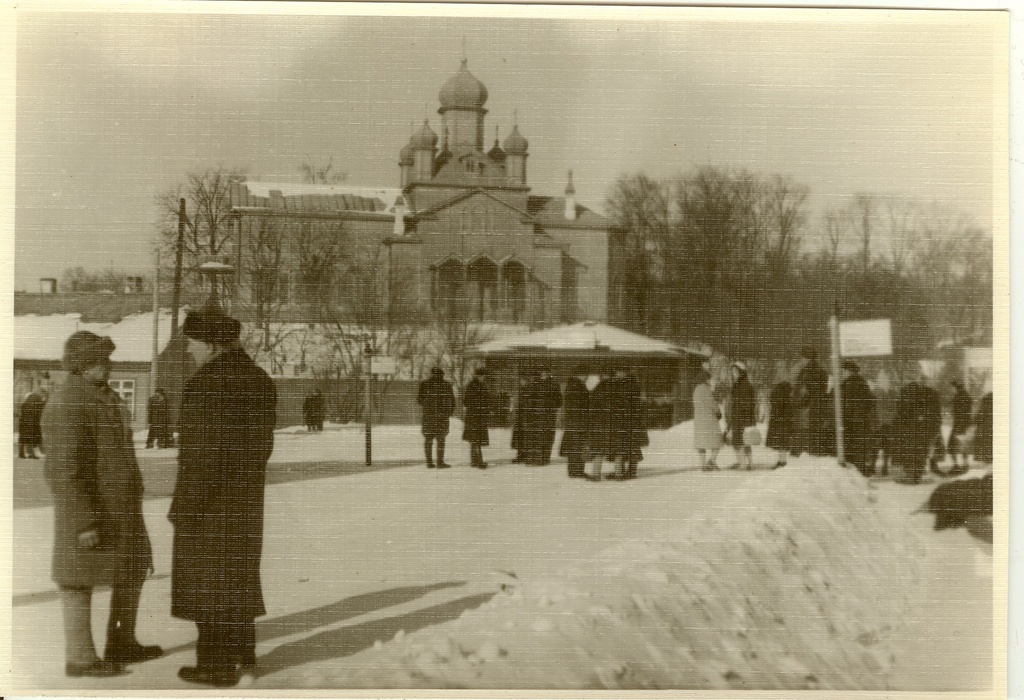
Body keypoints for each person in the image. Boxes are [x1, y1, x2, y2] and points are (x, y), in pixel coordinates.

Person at [42, 331, 162, 678]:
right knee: (78, 580)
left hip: (120, 507)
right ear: (79, 365)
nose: (107, 366)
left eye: (107, 360)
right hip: (90, 511)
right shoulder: (69, 402)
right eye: (98, 361)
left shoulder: (101, 397)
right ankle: (80, 657)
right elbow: (63, 470)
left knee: (132, 569)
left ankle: (122, 642)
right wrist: (83, 522)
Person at [170, 309, 277, 687]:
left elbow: (202, 455)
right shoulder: (258, 379)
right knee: (238, 576)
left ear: (213, 344)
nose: (187, 349)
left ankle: (214, 665)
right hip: (245, 500)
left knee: (208, 581)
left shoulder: (210, 383)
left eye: (192, 341)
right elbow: (261, 448)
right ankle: (242, 654)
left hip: (209, 503)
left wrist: (184, 507)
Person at [840, 360, 876, 475]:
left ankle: (856, 473)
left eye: (843, 371)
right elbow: (871, 401)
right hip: (862, 421)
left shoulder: (848, 384)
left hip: (851, 422)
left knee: (852, 447)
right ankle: (862, 470)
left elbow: (844, 404)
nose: (842, 373)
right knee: (860, 447)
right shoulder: (862, 382)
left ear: (848, 371)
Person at [610, 368, 647, 479]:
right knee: (628, 446)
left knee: (629, 447)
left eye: (618, 372)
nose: (617, 374)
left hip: (629, 420)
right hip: (631, 420)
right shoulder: (629, 384)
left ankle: (628, 472)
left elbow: (626, 403)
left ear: (623, 373)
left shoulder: (627, 385)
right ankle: (624, 471)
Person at [893, 374, 930, 484]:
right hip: (918, 427)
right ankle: (916, 475)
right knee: (918, 451)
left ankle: (910, 475)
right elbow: (924, 409)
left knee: (909, 451)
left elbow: (900, 409)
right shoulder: (922, 391)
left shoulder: (905, 391)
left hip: (908, 427)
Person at [417, 367, 455, 469]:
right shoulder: (446, 385)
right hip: (440, 416)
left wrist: (428, 405)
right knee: (440, 439)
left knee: (430, 439)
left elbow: (419, 400)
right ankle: (439, 462)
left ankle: (430, 462)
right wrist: (448, 412)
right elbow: (452, 401)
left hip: (430, 416)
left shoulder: (425, 384)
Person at [795, 347, 829, 456]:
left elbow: (808, 390)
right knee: (814, 429)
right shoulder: (817, 370)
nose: (801, 360)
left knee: (811, 429)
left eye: (803, 357)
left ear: (808, 358)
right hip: (815, 405)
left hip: (811, 405)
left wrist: (800, 402)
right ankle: (813, 451)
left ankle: (812, 452)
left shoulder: (810, 371)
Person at [559, 365, 590, 478]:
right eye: (584, 374)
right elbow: (577, 407)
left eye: (587, 375)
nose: (586, 377)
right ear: (578, 375)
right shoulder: (576, 386)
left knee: (576, 448)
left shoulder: (576, 385)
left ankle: (576, 471)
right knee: (576, 448)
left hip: (575, 422)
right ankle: (575, 472)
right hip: (577, 422)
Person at [587, 368, 614, 481]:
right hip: (611, 423)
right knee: (615, 450)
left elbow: (591, 406)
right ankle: (618, 473)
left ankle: (596, 474)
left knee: (598, 449)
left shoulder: (599, 388)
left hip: (599, 423)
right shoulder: (616, 388)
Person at [728, 361, 756, 470]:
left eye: (735, 371)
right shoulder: (739, 384)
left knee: (742, 440)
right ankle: (748, 463)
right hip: (740, 416)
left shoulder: (744, 385)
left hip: (743, 417)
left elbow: (749, 403)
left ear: (741, 372)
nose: (733, 374)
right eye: (732, 372)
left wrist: (742, 411)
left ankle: (745, 463)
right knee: (743, 440)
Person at [693, 370, 723, 471]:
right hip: (709, 419)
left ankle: (703, 465)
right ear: (705, 379)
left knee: (701, 443)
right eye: (709, 378)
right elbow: (711, 403)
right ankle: (712, 461)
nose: (710, 380)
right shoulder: (706, 389)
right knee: (717, 441)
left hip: (699, 420)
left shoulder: (696, 390)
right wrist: (718, 411)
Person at [765, 366, 794, 469]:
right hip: (784, 418)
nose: (777, 376)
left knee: (782, 442)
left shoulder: (781, 389)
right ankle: (782, 460)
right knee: (783, 442)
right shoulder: (787, 389)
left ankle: (782, 461)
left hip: (780, 419)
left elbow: (777, 403)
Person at [462, 368, 491, 468]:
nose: (484, 378)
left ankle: (474, 461)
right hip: (476, 416)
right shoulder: (476, 386)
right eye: (482, 376)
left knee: (474, 439)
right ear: (478, 376)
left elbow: (465, 401)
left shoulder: (473, 385)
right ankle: (479, 462)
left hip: (474, 416)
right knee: (476, 439)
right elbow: (468, 401)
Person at [536, 368, 563, 465]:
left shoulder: (552, 384)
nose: (543, 375)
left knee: (546, 436)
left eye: (545, 373)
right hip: (542, 415)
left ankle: (544, 458)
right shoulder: (538, 384)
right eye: (542, 373)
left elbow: (559, 400)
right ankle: (542, 458)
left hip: (547, 414)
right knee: (543, 436)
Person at [948, 381, 972, 475]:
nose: (951, 390)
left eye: (952, 388)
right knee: (963, 446)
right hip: (965, 425)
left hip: (959, 425)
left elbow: (959, 413)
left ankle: (956, 466)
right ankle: (965, 465)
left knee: (951, 446)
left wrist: (958, 425)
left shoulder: (958, 397)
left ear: (956, 387)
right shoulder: (966, 396)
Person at [922, 378, 944, 475]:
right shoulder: (932, 393)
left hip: (931, 424)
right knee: (930, 446)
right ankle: (929, 466)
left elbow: (938, 410)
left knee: (933, 445)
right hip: (928, 424)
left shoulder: (933, 393)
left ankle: (932, 466)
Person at [18, 388, 46, 458]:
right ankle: (34, 454)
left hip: (24, 423)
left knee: (23, 438)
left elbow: (21, 415)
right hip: (33, 422)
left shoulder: (24, 404)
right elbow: (39, 411)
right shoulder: (37, 399)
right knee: (34, 437)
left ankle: (22, 453)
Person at [973, 391, 993, 465]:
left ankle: (987, 459)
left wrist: (974, 420)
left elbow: (978, 417)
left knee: (985, 444)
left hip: (985, 428)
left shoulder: (985, 405)